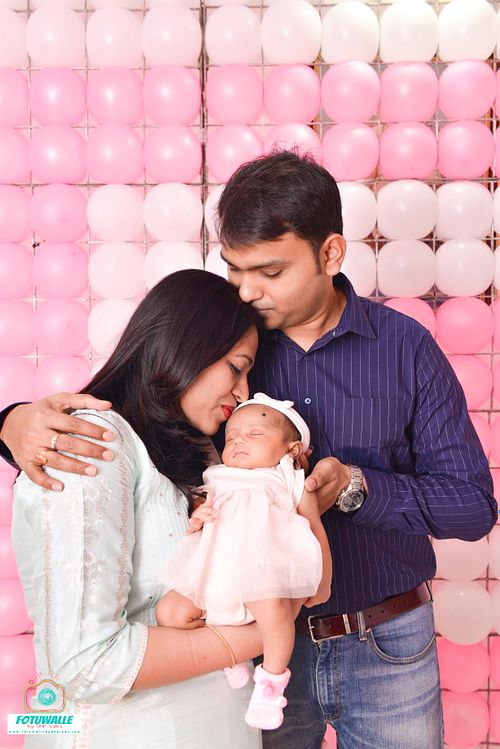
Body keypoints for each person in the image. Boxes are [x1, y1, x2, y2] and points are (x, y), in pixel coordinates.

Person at [2, 151, 497, 749]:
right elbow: (141, 411)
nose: (247, 290)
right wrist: (13, 423)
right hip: (244, 650)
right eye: (235, 269)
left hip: (385, 640)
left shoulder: (405, 348)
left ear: (330, 254)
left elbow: (473, 507)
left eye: (269, 271)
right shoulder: (222, 341)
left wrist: (356, 488)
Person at [9, 268, 277, 749]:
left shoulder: (198, 453)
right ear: (185, 345)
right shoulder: (93, 441)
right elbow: (85, 663)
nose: (243, 392)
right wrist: (268, 634)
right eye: (236, 367)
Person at [156, 393, 332, 731]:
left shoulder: (289, 479)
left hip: (262, 574)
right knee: (170, 612)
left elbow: (315, 528)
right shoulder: (217, 476)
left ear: (291, 449)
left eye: (255, 434)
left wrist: (323, 581)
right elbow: (201, 513)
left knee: (275, 612)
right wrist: (198, 517)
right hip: (217, 572)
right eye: (232, 437)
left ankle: (271, 685)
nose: (238, 442)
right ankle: (230, 655)